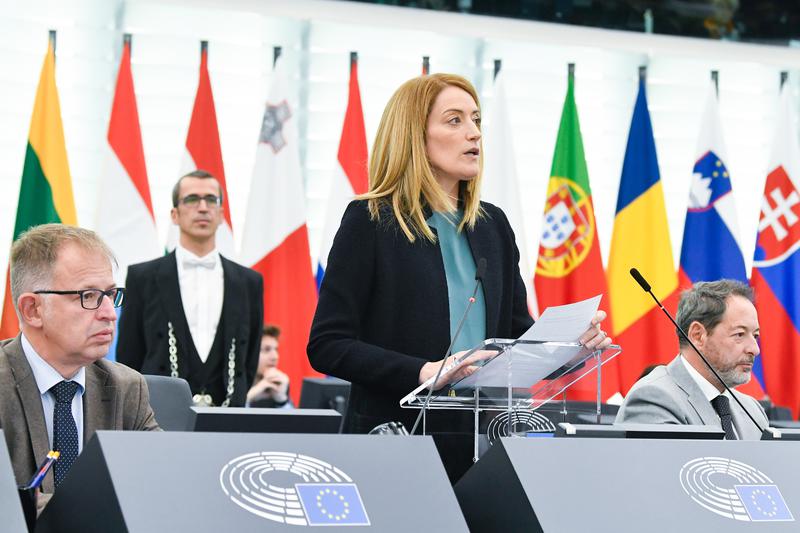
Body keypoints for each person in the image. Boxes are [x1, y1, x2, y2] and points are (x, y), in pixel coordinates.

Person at [307, 73, 611, 442]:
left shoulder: (493, 225)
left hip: (482, 440)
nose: (475, 133)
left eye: (476, 120)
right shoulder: (371, 221)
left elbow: (516, 337)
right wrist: (425, 371)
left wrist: (571, 348)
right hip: (394, 435)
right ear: (414, 136)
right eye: (455, 120)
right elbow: (328, 345)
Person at [0, 224, 159, 505]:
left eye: (110, 295)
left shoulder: (127, 388)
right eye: (89, 296)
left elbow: (159, 483)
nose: (110, 314)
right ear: (32, 310)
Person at [117, 170, 264, 407]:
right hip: (158, 417)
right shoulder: (141, 278)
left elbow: (249, 359)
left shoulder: (249, 282)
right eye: (192, 199)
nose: (203, 207)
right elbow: (128, 357)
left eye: (211, 200)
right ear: (174, 214)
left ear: (221, 214)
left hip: (228, 417)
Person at [615, 279, 768, 440]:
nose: (755, 349)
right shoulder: (653, 399)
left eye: (755, 336)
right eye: (739, 334)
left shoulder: (753, 411)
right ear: (698, 336)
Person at [247, 324, 291, 408]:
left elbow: (295, 421)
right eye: (267, 349)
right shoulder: (232, 384)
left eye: (276, 349)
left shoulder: (278, 383)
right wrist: (247, 398)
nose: (275, 357)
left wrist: (282, 401)